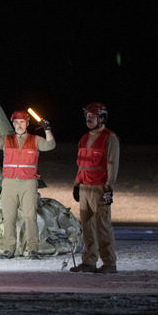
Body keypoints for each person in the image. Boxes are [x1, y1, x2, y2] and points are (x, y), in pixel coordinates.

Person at [0, 109, 55, 260]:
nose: (18, 125)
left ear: (27, 123)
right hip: (9, 183)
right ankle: (9, 249)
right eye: (16, 122)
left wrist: (47, 129)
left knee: (30, 217)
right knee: (8, 217)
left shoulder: (35, 140)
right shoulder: (6, 139)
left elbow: (50, 145)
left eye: (22, 122)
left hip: (28, 183)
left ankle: (33, 249)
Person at [70, 102, 120, 274]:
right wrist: (77, 184)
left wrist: (109, 188)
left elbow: (112, 164)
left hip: (99, 187)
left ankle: (109, 263)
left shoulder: (109, 137)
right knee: (87, 226)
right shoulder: (84, 137)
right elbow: (81, 164)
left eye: (92, 116)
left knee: (102, 226)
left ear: (102, 117)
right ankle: (89, 261)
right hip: (84, 187)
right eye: (87, 116)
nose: (88, 119)